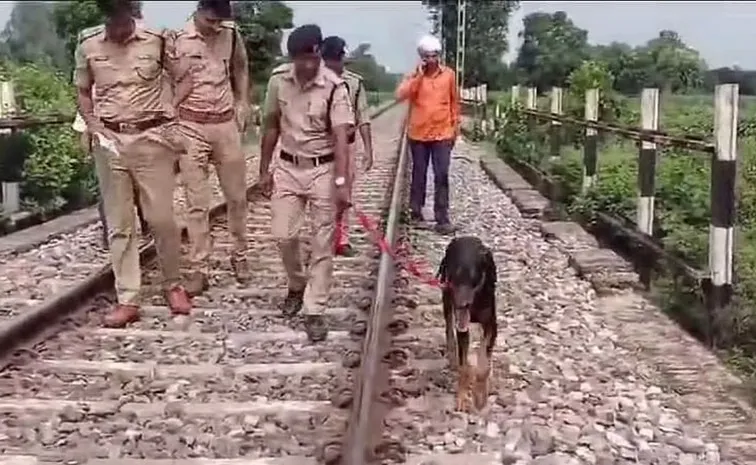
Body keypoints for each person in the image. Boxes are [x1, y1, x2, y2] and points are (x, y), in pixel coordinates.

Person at [75, 0, 192, 327]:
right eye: (111, 19)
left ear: (133, 12)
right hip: (110, 142)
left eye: (123, 17)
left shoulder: (158, 38)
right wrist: (92, 124)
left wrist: (172, 106)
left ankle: (174, 284)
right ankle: (128, 298)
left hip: (153, 139)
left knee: (162, 219)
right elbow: (83, 90)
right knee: (120, 224)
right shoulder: (87, 43)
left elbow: (185, 77)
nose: (118, 26)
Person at [258, 24, 353, 342]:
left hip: (323, 170)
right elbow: (270, 125)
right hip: (287, 167)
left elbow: (341, 138)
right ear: (293, 58)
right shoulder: (278, 82)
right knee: (283, 235)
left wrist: (342, 182)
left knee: (322, 242)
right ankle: (297, 284)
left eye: (313, 58)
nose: (309, 65)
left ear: (319, 54)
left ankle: (314, 309)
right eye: (302, 59)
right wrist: (263, 170)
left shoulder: (334, 87)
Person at [165, 0, 250, 295]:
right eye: (211, 20)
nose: (216, 27)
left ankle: (240, 256)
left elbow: (240, 67)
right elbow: (169, 80)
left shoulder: (232, 34)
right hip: (191, 126)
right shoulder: (177, 39)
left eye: (220, 22)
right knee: (197, 204)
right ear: (199, 11)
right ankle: (200, 269)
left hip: (225, 125)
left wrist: (242, 102)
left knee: (237, 198)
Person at [72, 3, 151, 246]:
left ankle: (148, 226)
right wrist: (88, 129)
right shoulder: (90, 43)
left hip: (141, 127)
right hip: (105, 130)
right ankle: (113, 235)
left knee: (143, 186)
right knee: (110, 191)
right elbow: (85, 93)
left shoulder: (149, 40)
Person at [395, 34, 459, 235]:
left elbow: (454, 102)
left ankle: (442, 218)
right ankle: (416, 212)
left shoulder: (449, 75)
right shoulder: (413, 77)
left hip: (442, 133)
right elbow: (400, 95)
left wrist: (455, 128)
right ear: (421, 57)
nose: (431, 60)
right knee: (419, 175)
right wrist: (417, 77)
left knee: (441, 175)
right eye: (427, 56)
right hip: (419, 134)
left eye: (434, 56)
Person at [321, 35, 374, 257]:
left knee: (344, 194)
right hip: (321, 147)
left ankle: (341, 239)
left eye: (339, 58)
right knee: (321, 195)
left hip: (347, 147)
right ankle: (323, 238)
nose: (336, 63)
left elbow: (363, 117)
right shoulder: (315, 80)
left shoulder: (354, 83)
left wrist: (369, 150)